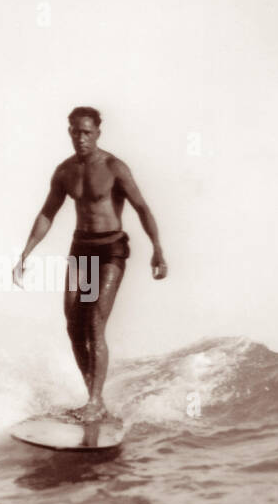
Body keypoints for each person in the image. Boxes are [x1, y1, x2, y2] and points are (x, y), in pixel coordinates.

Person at [13, 107, 167, 422]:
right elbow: (47, 213)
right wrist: (24, 255)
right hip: (82, 253)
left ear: (98, 132)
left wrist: (157, 249)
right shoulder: (65, 172)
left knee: (95, 323)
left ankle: (94, 402)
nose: (80, 138)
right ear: (69, 132)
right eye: (75, 132)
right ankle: (93, 399)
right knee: (74, 325)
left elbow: (142, 207)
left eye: (87, 132)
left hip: (110, 250)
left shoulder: (114, 167)